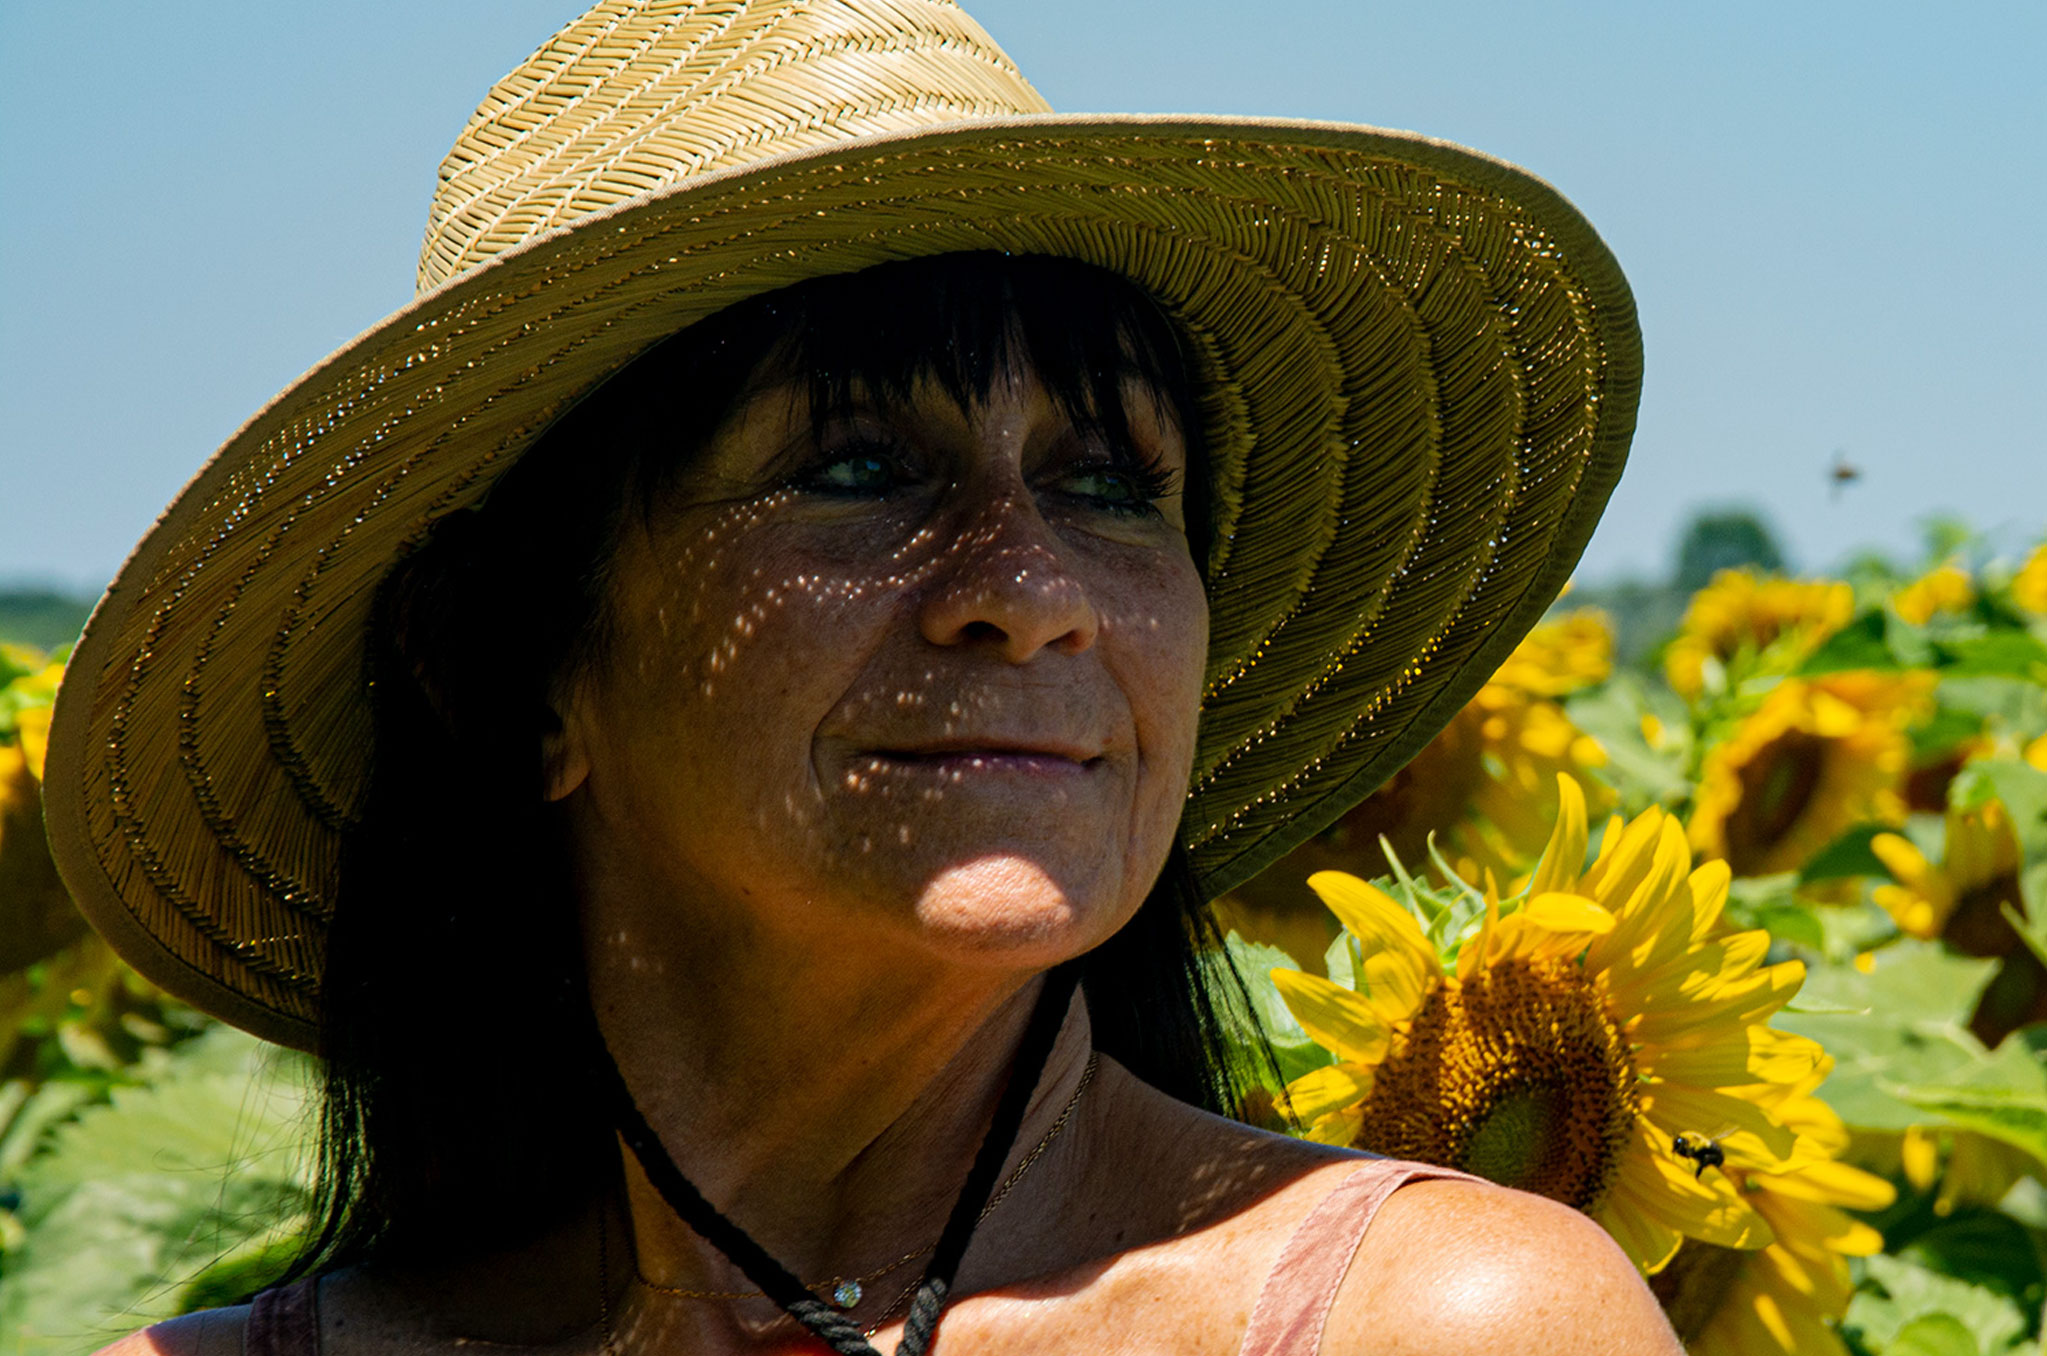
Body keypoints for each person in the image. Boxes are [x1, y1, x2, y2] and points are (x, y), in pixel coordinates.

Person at [46, 2, 1675, 1352]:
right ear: (505, 668)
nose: (1029, 594)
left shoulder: (1439, 1321)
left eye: (1112, 482)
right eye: (854, 468)